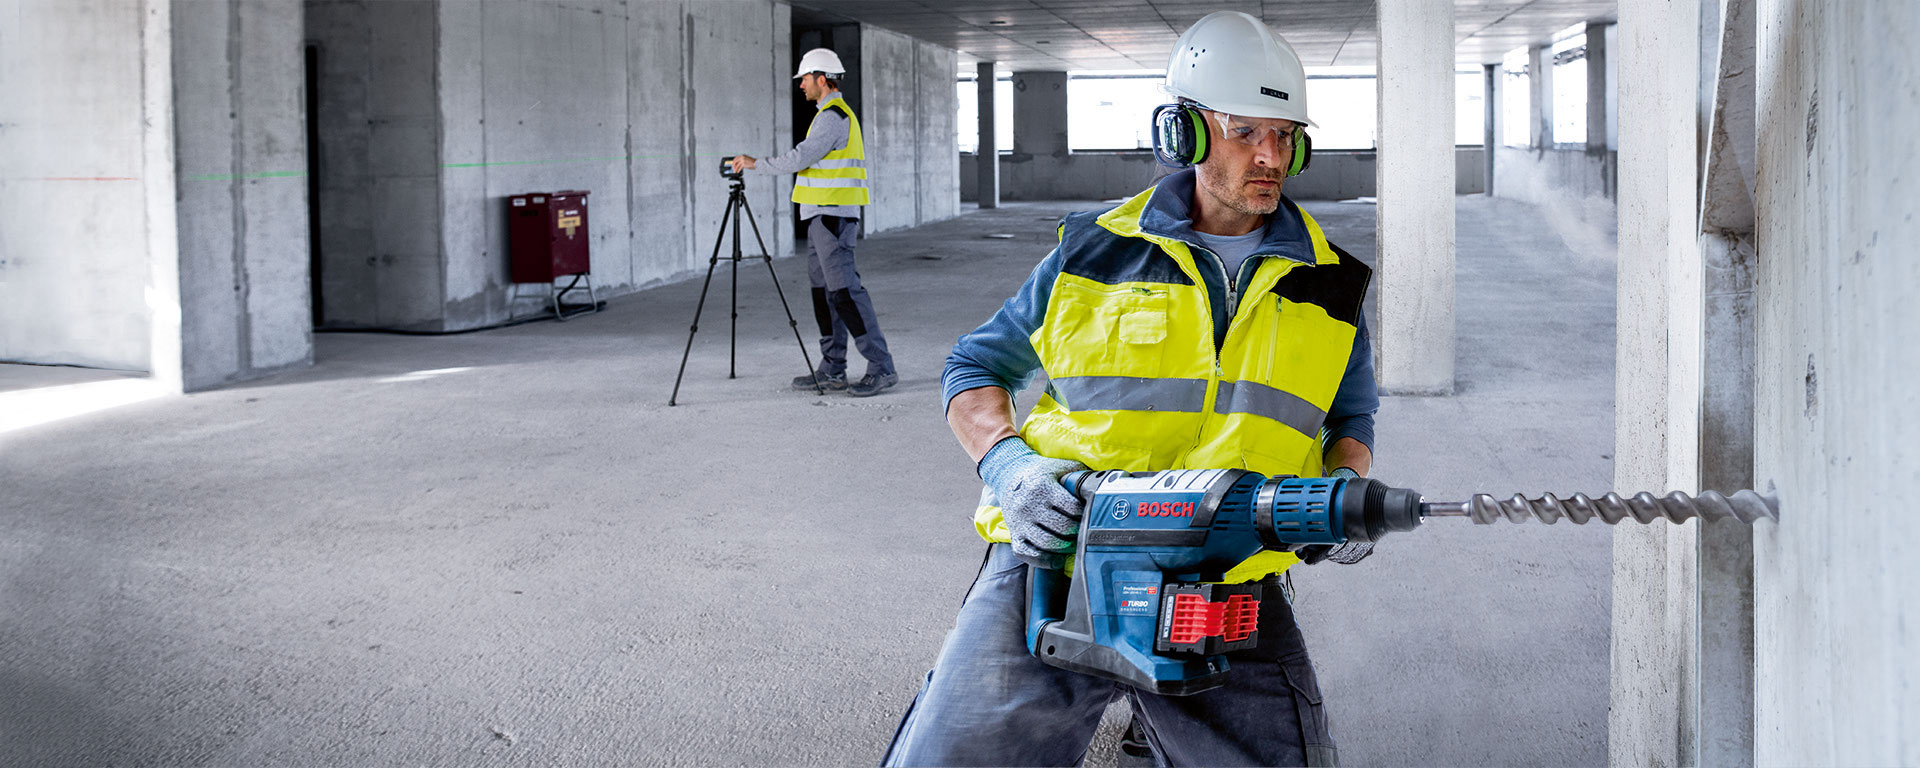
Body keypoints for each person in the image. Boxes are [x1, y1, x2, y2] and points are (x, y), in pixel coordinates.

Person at [883, 12, 1380, 767]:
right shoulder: (1094, 250)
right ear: (1184, 133)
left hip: (1226, 577)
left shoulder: (1332, 283)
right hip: (1059, 559)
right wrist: (1009, 467)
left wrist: (1344, 486)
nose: (1271, 155)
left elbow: (1351, 414)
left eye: (1286, 135)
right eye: (1247, 131)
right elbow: (974, 368)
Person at [731, 48, 897, 398]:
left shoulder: (833, 116)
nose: (801, 85)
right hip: (821, 217)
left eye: (804, 79)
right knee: (825, 295)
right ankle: (833, 367)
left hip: (834, 216)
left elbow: (800, 157)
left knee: (846, 293)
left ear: (822, 79)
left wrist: (755, 163)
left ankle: (881, 366)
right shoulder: (826, 114)